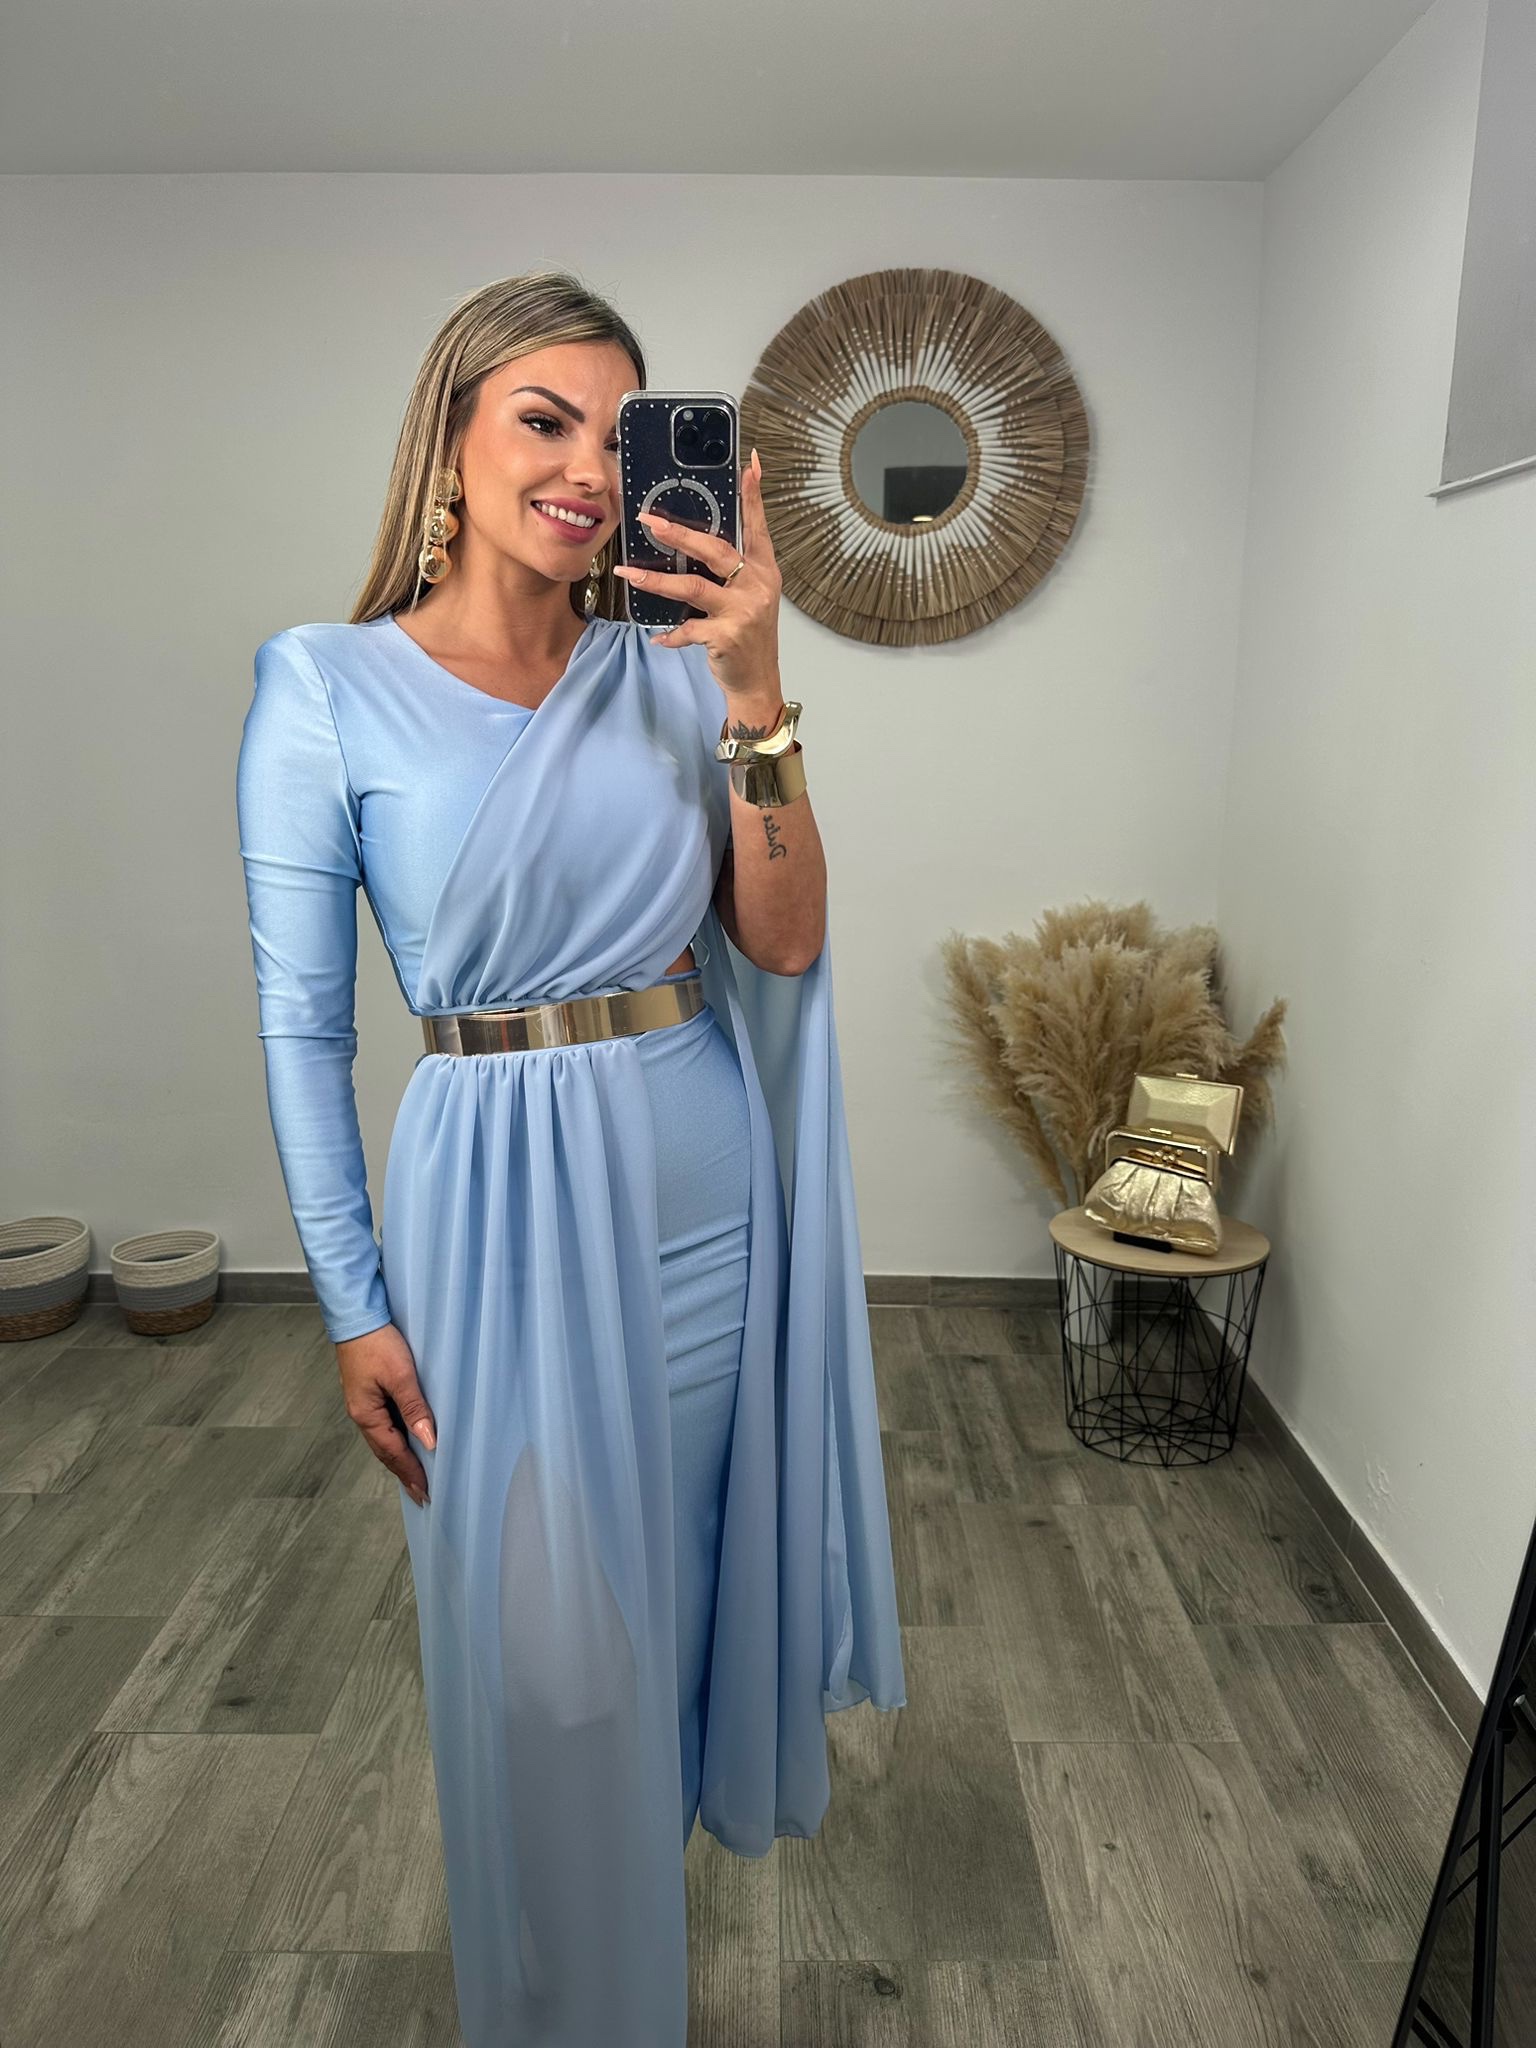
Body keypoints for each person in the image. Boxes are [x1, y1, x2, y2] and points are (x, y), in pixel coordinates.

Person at [235, 270, 905, 2047]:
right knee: (545, 1669)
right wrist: (350, 1305)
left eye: (622, 433)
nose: (591, 469)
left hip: (697, 1200)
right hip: (488, 1211)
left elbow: (780, 942)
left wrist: (757, 692)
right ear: (449, 441)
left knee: (667, 1623)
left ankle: (628, 1976)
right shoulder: (323, 687)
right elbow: (302, 1030)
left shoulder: (678, 674)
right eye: (545, 419)